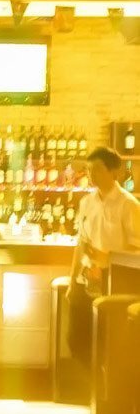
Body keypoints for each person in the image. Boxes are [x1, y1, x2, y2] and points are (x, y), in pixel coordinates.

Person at [68, 146, 140, 363]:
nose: (92, 175)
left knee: (105, 341)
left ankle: (101, 383)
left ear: (114, 172)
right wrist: (72, 281)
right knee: (76, 338)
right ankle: (86, 380)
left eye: (97, 169)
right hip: (86, 276)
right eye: (89, 170)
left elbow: (137, 251)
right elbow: (81, 244)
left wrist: (108, 257)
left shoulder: (129, 205)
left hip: (114, 280)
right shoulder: (86, 202)